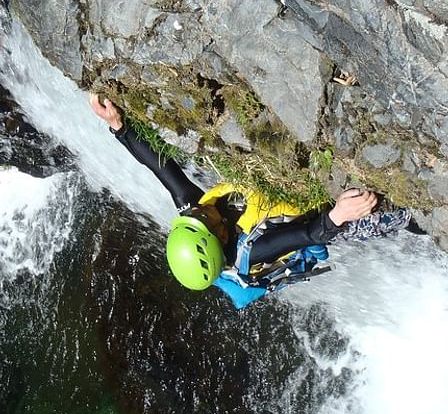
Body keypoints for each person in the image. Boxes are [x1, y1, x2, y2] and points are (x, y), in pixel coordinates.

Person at [89, 94, 419, 309]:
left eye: (193, 212)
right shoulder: (253, 248)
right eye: (202, 218)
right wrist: (341, 214)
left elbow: (160, 167)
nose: (198, 208)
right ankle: (415, 224)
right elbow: (308, 235)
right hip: (318, 224)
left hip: (282, 211)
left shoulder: (197, 215)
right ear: (219, 237)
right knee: (396, 212)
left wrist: (118, 126)